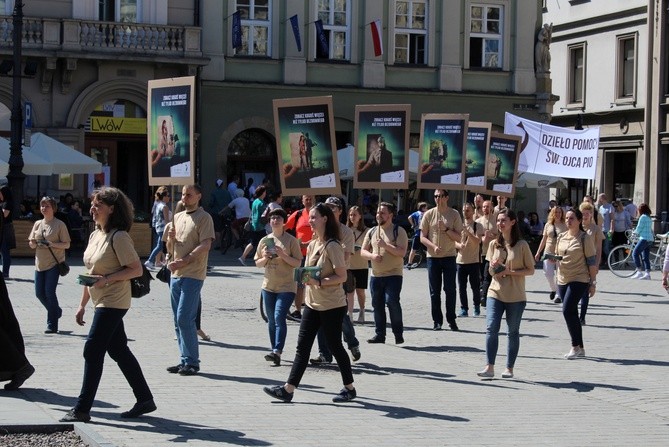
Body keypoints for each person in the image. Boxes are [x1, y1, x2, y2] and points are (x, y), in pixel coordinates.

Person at [60, 186, 155, 422]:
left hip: (114, 301)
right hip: (99, 299)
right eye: (92, 203)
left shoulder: (119, 236)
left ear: (112, 209)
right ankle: (145, 399)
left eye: (98, 205)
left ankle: (82, 409)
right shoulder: (95, 234)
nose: (92, 208)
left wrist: (108, 280)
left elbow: (135, 269)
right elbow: (90, 272)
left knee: (92, 349)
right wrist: (82, 304)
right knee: (118, 349)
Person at [263, 203, 356, 403]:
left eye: (313, 217)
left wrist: (319, 281)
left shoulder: (333, 245)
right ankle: (288, 389)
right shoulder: (313, 244)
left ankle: (349, 387)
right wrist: (304, 278)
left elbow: (342, 276)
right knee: (302, 347)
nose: (310, 221)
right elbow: (308, 272)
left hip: (332, 304)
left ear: (325, 219)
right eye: (310, 217)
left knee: (335, 346)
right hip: (312, 304)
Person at [477, 210, 535, 379]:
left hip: (516, 296)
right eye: (498, 221)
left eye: (503, 221)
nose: (500, 224)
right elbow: (489, 269)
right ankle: (489, 366)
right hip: (495, 292)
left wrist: (510, 272)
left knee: (513, 332)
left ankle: (509, 368)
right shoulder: (494, 244)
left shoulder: (522, 245)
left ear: (513, 222)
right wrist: (495, 268)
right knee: (491, 327)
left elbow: (530, 270)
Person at [164, 185, 215, 376]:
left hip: (193, 274)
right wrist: (170, 240)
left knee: (185, 317)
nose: (185, 197)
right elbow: (170, 248)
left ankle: (193, 362)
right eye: (183, 194)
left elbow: (206, 244)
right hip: (176, 274)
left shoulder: (204, 217)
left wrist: (186, 260)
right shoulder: (177, 217)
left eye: (189, 194)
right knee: (178, 321)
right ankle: (184, 359)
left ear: (199, 196)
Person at [311, 197, 361, 364]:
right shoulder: (319, 228)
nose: (331, 210)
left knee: (340, 317)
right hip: (320, 278)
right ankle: (324, 353)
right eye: (328, 207)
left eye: (334, 208)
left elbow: (345, 255)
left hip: (339, 276)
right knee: (319, 314)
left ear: (340, 211)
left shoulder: (345, 232)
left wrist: (332, 254)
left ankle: (352, 343)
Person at [255, 208, 302, 366]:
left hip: (287, 286)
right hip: (268, 286)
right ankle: (274, 350)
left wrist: (283, 255)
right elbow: (257, 263)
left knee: (278, 317)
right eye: (273, 218)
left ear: (284, 222)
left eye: (278, 218)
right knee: (270, 320)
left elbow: (297, 263)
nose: (275, 221)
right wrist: (266, 257)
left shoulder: (291, 240)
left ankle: (277, 351)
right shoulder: (265, 240)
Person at [361, 202, 408, 344]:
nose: (378, 215)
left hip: (394, 274)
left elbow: (402, 252)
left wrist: (385, 246)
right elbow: (363, 251)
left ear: (390, 215)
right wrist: (372, 256)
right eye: (377, 213)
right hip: (376, 275)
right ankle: (380, 334)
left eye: (382, 213)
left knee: (391, 301)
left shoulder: (399, 231)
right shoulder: (371, 231)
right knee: (377, 305)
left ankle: (398, 332)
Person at [554, 208, 597, 360]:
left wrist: (592, 283)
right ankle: (581, 348)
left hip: (579, 278)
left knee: (567, 310)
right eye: (566, 218)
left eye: (572, 218)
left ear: (579, 220)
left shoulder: (585, 238)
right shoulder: (561, 236)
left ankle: (574, 346)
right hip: (563, 278)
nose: (568, 221)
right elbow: (559, 256)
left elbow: (592, 261)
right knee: (572, 313)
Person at [420, 189, 463, 331]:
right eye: (435, 196)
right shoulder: (429, 214)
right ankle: (437, 321)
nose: (437, 198)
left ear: (447, 198)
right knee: (434, 291)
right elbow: (422, 237)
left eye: (440, 196)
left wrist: (445, 229)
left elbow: (459, 237)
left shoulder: (454, 214)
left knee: (450, 290)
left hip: (449, 256)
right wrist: (432, 246)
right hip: (433, 258)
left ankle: (451, 319)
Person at [28, 196, 71, 334]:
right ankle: (56, 311)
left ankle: (52, 324)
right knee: (39, 294)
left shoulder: (59, 225)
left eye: (47, 206)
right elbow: (31, 243)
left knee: (49, 292)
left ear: (53, 208)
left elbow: (67, 244)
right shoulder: (37, 224)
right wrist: (34, 243)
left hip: (54, 263)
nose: (44, 208)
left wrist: (52, 244)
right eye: (42, 206)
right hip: (39, 263)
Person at [284, 195, 315, 321]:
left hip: (314, 254)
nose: (308, 201)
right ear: (302, 201)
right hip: (300, 255)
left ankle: (311, 308)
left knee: (311, 282)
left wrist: (307, 243)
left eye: (310, 199)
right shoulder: (298, 214)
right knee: (300, 283)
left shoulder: (317, 214)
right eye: (306, 199)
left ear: (315, 200)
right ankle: (298, 310)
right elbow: (284, 228)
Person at [456, 203, 484, 317]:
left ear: (473, 211)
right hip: (460, 260)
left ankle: (476, 306)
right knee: (461, 287)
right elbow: (452, 240)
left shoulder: (478, 226)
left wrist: (468, 233)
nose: (465, 212)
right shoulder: (458, 225)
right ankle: (464, 308)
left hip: (473, 261)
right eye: (463, 210)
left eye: (468, 210)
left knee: (475, 286)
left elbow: (478, 241)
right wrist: (458, 245)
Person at [578, 202, 604, 325]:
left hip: (590, 261)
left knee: (585, 290)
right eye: (583, 213)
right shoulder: (576, 227)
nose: (585, 216)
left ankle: (582, 316)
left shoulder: (596, 229)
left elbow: (599, 249)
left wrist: (597, 264)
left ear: (591, 214)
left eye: (587, 213)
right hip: (577, 261)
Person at [534, 206, 567, 302]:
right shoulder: (548, 225)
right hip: (548, 252)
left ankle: (559, 295)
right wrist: (538, 252)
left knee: (559, 275)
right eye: (556, 212)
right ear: (552, 213)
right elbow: (544, 240)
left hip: (560, 252)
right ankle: (553, 289)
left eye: (559, 212)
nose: (558, 214)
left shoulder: (565, 225)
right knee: (548, 273)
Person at [347, 205, 370, 323]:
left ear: (360, 216)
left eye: (355, 214)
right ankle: (350, 314)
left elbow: (370, 247)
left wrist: (360, 248)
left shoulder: (367, 231)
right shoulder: (345, 230)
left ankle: (362, 310)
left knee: (360, 291)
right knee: (349, 291)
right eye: (350, 214)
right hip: (348, 265)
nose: (352, 217)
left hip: (361, 264)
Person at [239, 185, 268, 265]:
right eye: (265, 192)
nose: (266, 193)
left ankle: (243, 257)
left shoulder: (255, 201)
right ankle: (266, 258)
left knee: (254, 243)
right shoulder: (262, 203)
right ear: (262, 193)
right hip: (260, 225)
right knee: (266, 241)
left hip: (254, 224)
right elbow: (264, 215)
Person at [477, 200, 498, 306]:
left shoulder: (496, 221)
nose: (485, 208)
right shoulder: (478, 221)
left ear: (492, 208)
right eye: (484, 207)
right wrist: (483, 237)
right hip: (481, 252)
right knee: (481, 276)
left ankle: (484, 296)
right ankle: (482, 293)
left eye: (488, 206)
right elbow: (476, 237)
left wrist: (492, 236)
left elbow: (501, 236)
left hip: (493, 253)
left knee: (487, 275)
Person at [146, 187, 170, 269]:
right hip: (163, 228)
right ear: (164, 197)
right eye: (168, 195)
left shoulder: (158, 204)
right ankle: (149, 261)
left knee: (160, 245)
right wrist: (169, 229)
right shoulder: (164, 207)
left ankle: (159, 261)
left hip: (158, 227)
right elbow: (166, 220)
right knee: (160, 246)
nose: (169, 197)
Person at [631, 203, 654, 280]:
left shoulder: (642, 217)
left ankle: (639, 272)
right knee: (645, 257)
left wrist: (633, 234)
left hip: (644, 238)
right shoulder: (648, 217)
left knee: (635, 253)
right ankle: (647, 274)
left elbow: (639, 228)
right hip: (649, 239)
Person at [209, 179, 232, 250]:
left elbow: (211, 203)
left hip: (216, 212)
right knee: (224, 228)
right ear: (222, 184)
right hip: (226, 212)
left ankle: (218, 244)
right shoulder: (227, 192)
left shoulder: (214, 192)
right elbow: (230, 202)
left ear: (216, 185)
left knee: (217, 229)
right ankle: (224, 241)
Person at [0, 186, 16, 278]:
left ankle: (5, 273)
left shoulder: (8, 203)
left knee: (5, 251)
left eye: (1, 193)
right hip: (2, 228)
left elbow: (4, 215)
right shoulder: (2, 203)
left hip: (6, 228)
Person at [406, 202, 428, 269]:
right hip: (424, 234)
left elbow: (409, 217)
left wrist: (413, 224)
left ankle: (409, 263)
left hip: (417, 234)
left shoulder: (416, 213)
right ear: (423, 208)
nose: (427, 209)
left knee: (413, 249)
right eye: (426, 207)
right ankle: (430, 262)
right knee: (427, 250)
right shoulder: (426, 214)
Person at [597, 193, 613, 265]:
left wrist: (611, 229)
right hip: (601, 230)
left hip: (607, 231)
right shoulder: (601, 208)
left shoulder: (610, 207)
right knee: (601, 247)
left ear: (602, 198)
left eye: (599, 198)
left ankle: (609, 262)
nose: (598, 200)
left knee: (606, 247)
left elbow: (612, 219)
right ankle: (603, 261)